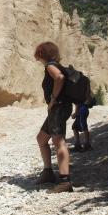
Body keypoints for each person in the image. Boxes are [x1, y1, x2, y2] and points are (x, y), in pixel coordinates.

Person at [34, 41, 73, 193]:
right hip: (59, 108)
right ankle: (48, 172)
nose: (36, 57)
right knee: (41, 139)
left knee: (59, 141)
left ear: (42, 53)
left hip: (58, 107)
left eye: (37, 53)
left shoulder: (51, 66)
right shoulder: (56, 64)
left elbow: (60, 78)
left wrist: (53, 99)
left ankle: (65, 181)